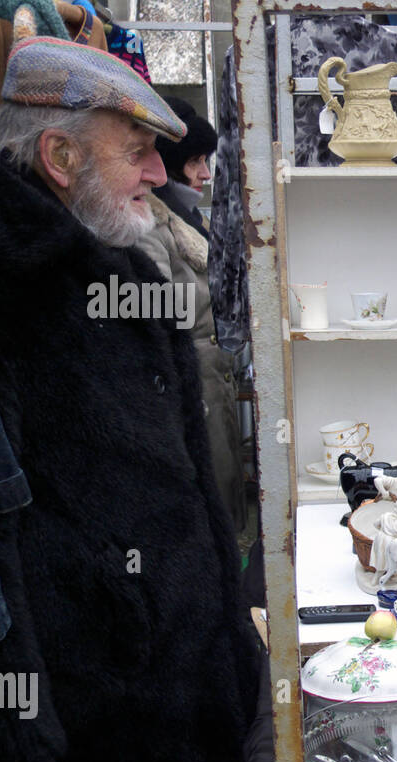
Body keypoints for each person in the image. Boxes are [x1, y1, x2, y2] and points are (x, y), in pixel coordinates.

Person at [0, 34, 262, 762]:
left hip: (177, 722)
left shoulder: (107, 267)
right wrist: (9, 733)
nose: (160, 174)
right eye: (141, 152)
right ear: (58, 154)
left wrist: (233, 650)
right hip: (102, 754)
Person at [137, 94, 248, 530]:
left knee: (221, 500)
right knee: (209, 510)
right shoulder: (148, 225)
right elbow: (157, 318)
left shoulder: (184, 219)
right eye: (196, 161)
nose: (205, 173)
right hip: (192, 388)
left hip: (209, 380)